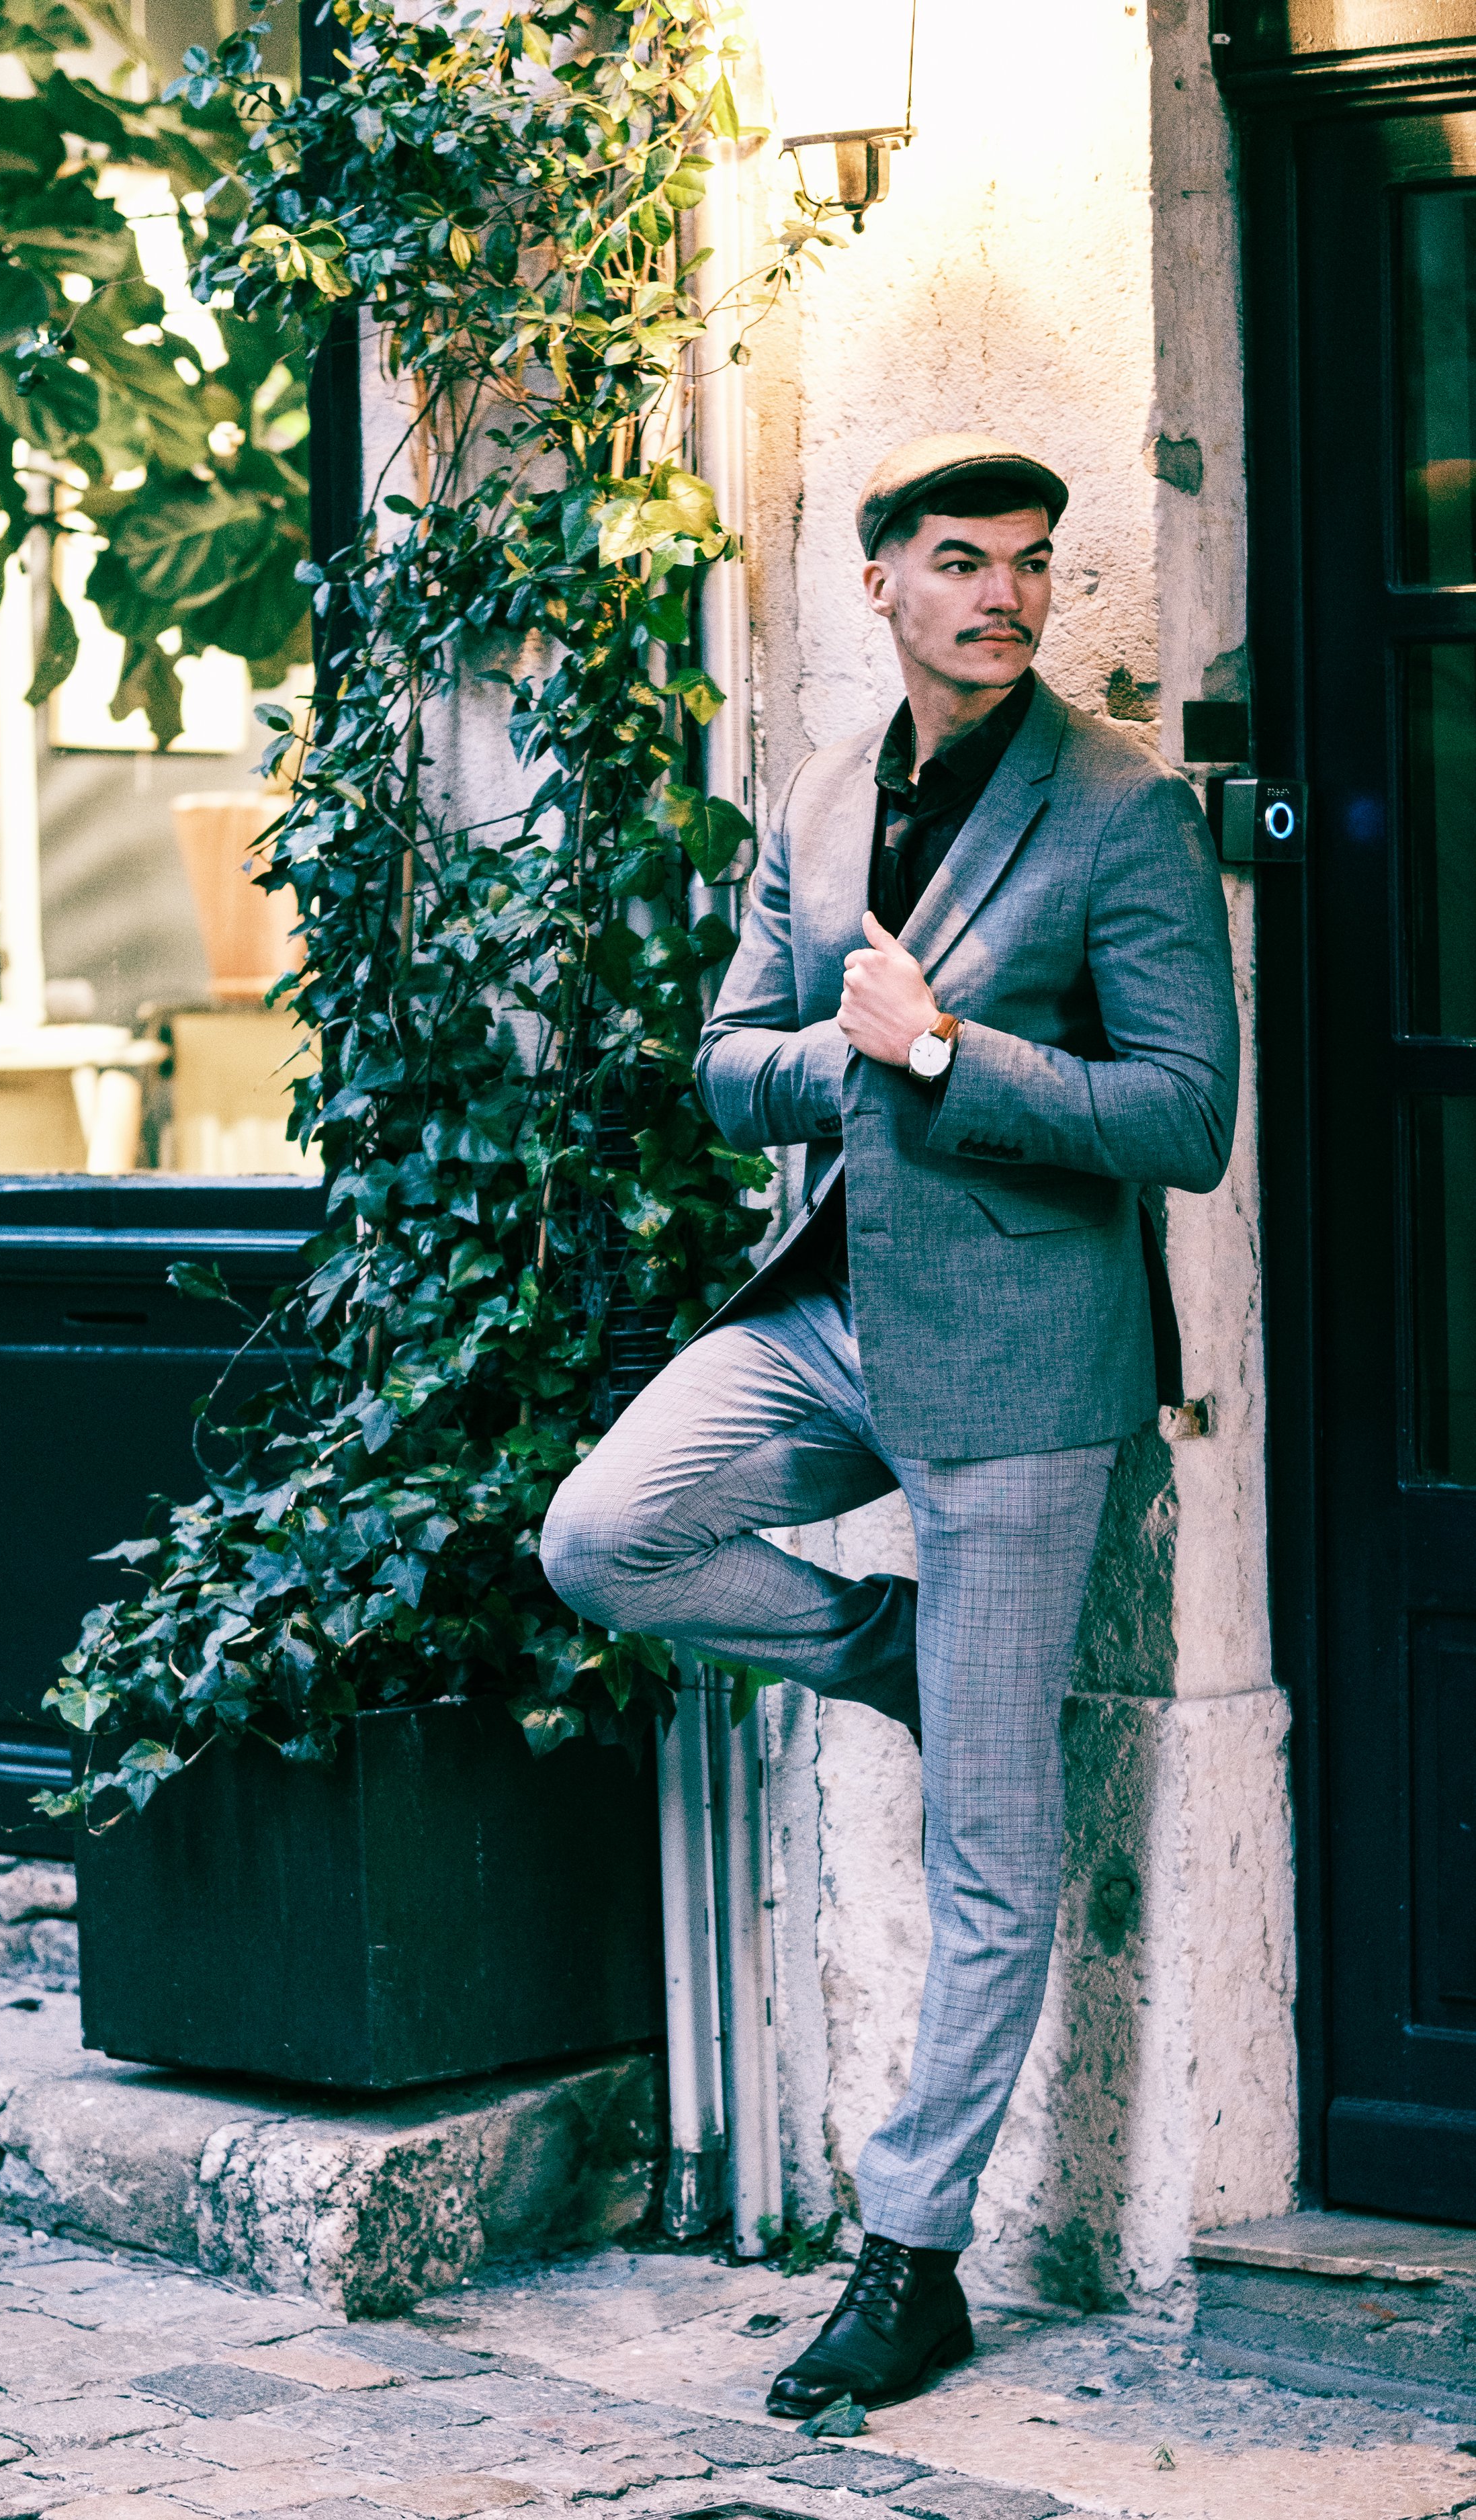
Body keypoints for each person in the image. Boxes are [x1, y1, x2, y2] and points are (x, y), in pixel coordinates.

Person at [541, 432, 1240, 2413]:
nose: (1003, 594)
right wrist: (835, 1067)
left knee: (994, 1855)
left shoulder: (1119, 812)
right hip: (837, 1323)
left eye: (1028, 564)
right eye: (959, 562)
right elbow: (727, 1062)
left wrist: (945, 1049)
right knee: (604, 1535)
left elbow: (1185, 1119)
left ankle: (908, 2255)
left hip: (1021, 1378)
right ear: (882, 587)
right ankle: (903, 1663)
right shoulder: (824, 791)